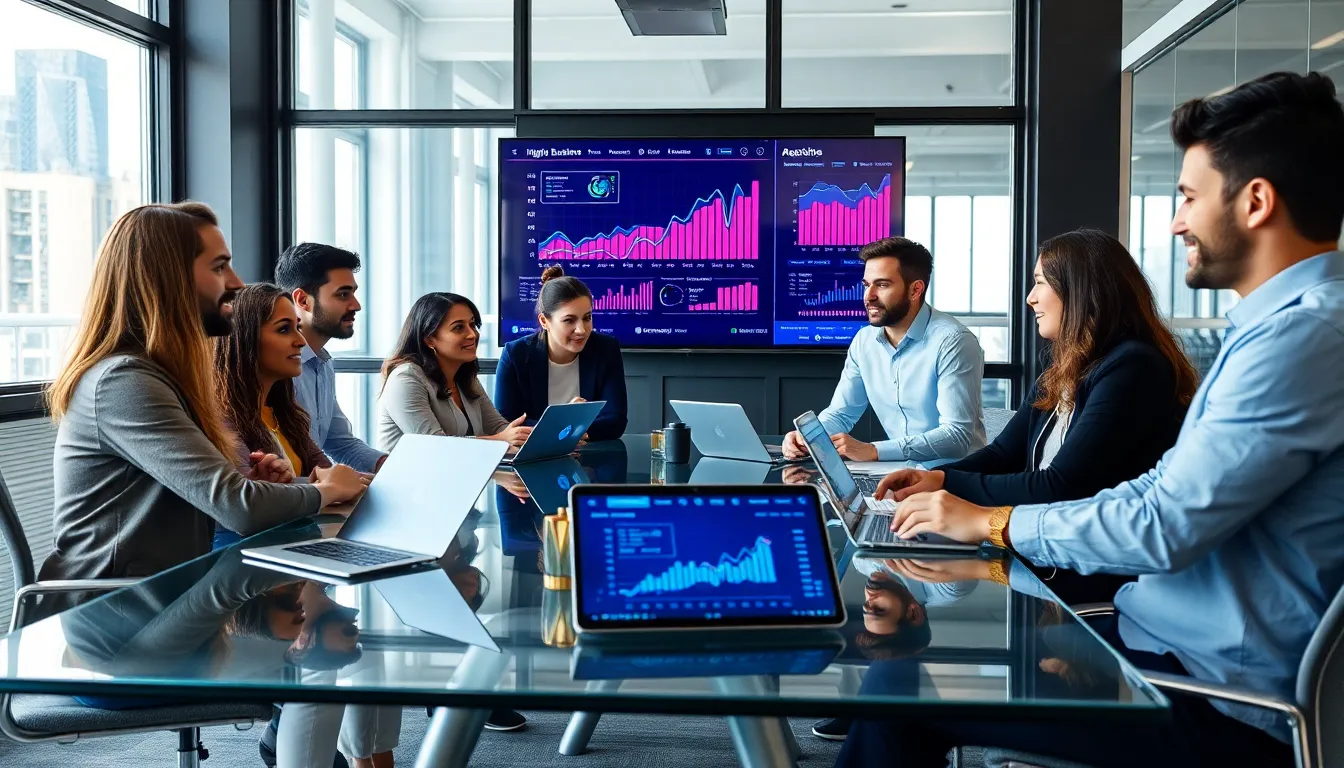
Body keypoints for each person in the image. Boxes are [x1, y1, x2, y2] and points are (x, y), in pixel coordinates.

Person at [844, 71, 1344, 768]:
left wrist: (990, 522)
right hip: (1157, 642)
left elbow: (1161, 526)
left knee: (900, 696)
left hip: (1209, 695)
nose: (1174, 222)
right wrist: (962, 502)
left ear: (1256, 201)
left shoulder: (1304, 338)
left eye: (1189, 198)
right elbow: (1155, 495)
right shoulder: (1279, 330)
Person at [41, 203, 368, 617]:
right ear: (168, 279)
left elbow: (221, 496)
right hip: (116, 614)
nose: (235, 283)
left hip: (172, 597)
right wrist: (324, 492)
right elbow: (238, 506)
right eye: (219, 268)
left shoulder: (164, 378)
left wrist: (261, 483)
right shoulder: (124, 381)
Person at [874, 228, 1200, 605]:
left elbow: (1061, 487)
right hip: (1048, 557)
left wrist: (956, 497)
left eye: (1040, 283)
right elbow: (1004, 454)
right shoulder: (1065, 363)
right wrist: (937, 477)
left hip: (1103, 580)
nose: (1030, 298)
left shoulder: (1133, 367)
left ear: (1080, 291)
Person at [781, 237, 986, 464]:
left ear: (915, 289)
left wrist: (873, 451)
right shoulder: (864, 341)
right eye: (867, 285)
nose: (869, 296)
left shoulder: (954, 341)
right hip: (899, 473)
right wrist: (809, 438)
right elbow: (841, 413)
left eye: (882, 285)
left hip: (957, 479)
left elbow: (956, 437)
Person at [211, 283, 334, 549]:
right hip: (241, 562)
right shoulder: (219, 417)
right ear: (244, 339)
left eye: (298, 327)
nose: (300, 340)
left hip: (290, 549)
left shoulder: (286, 413)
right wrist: (325, 486)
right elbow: (245, 507)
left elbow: (324, 472)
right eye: (284, 329)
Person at [274, 243, 387, 473]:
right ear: (303, 300)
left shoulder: (323, 363)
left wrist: (393, 467)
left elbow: (340, 442)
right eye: (343, 294)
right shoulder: (276, 366)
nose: (356, 305)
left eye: (353, 293)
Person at [377, 292, 532, 452]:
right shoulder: (405, 378)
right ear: (430, 339)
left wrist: (524, 435)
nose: (472, 334)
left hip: (458, 474)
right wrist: (499, 441)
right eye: (458, 327)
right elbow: (434, 446)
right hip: (410, 476)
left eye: (472, 325)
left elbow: (498, 427)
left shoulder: (463, 375)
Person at [494, 265, 628, 441]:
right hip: (532, 457)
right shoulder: (515, 354)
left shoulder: (606, 348)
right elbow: (508, 421)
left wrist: (569, 431)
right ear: (544, 321)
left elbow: (615, 420)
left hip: (588, 456)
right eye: (569, 320)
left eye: (587, 318)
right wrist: (565, 424)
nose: (581, 330)